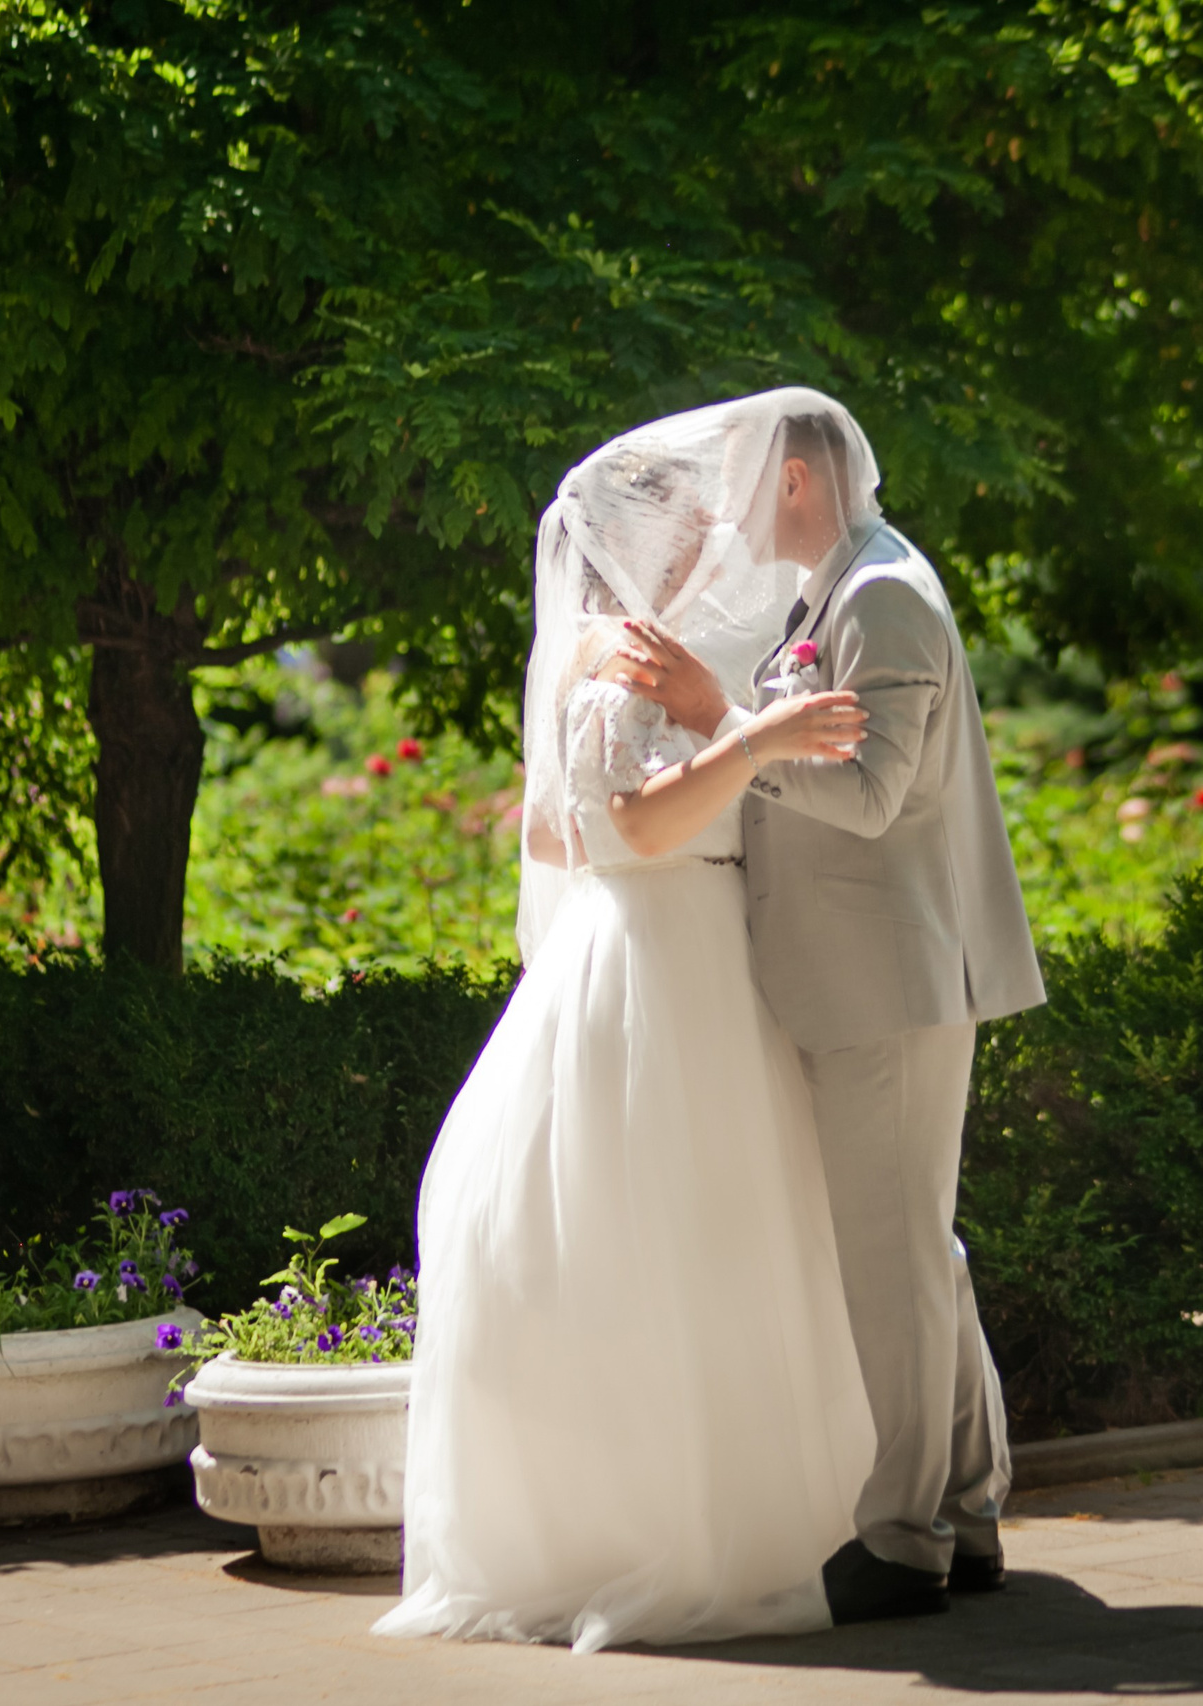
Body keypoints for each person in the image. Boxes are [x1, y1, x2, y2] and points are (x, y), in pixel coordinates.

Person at [372, 391, 882, 1654]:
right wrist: (754, 737)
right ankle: (665, 1533)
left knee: (729, 1239)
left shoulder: (641, 649)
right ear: (642, 542)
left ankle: (769, 1512)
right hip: (651, 965)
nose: (720, 525)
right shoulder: (616, 659)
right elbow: (630, 827)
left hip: (697, 954)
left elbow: (552, 827)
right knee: (652, 1234)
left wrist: (729, 736)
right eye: (694, 517)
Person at [612, 402, 1046, 1625]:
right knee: (919, 1249)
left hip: (890, 979)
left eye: (747, 490)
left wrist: (715, 719)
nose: (735, 519)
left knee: (892, 1256)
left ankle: (903, 1535)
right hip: (858, 972)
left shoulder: (884, 597)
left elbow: (869, 798)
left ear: (797, 478)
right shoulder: (838, 588)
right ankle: (965, 1511)